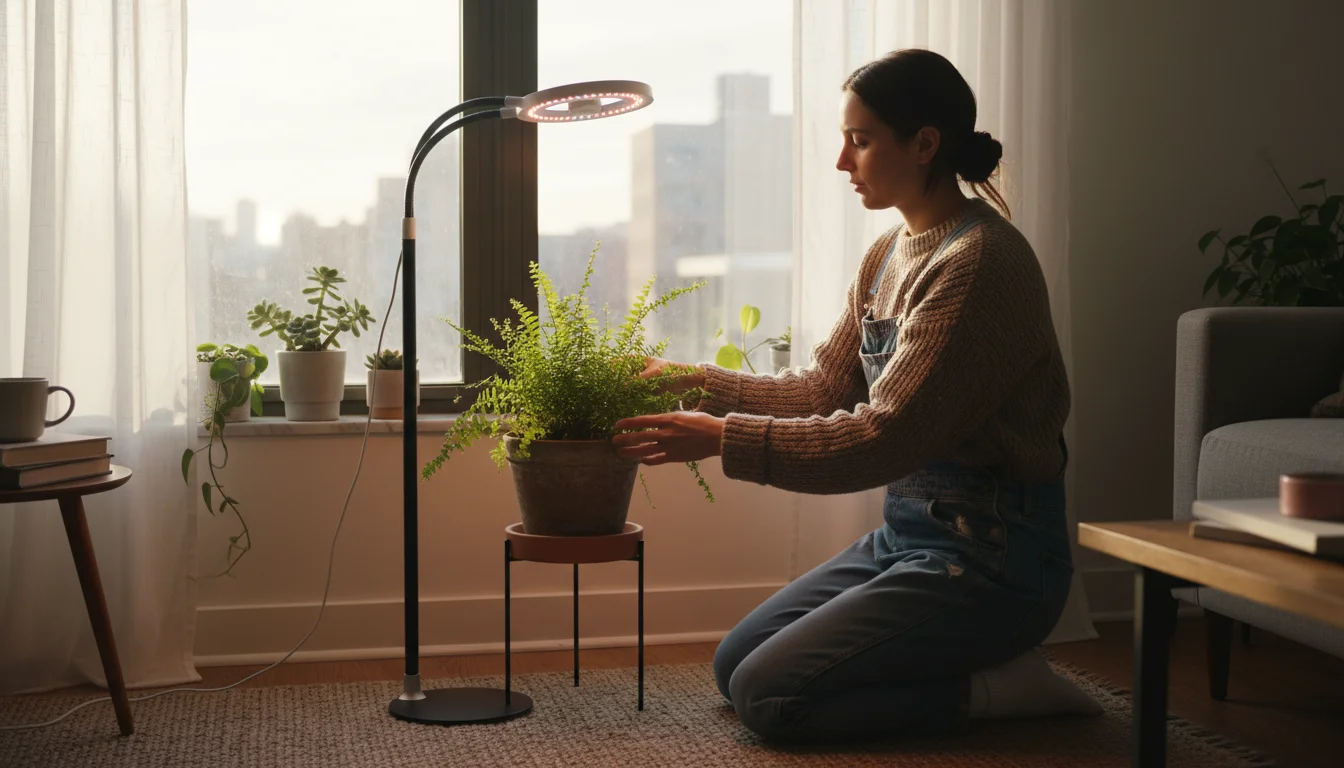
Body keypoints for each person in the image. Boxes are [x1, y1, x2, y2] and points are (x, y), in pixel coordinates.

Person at [610, 49, 1100, 743]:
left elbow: (884, 438)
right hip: (908, 538)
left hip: (995, 561)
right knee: (734, 666)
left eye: (861, 141)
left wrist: (721, 439)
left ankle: (1000, 686)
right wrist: (696, 382)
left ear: (924, 144)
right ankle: (953, 659)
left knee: (771, 697)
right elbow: (823, 388)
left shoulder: (979, 264)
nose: (843, 162)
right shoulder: (887, 254)